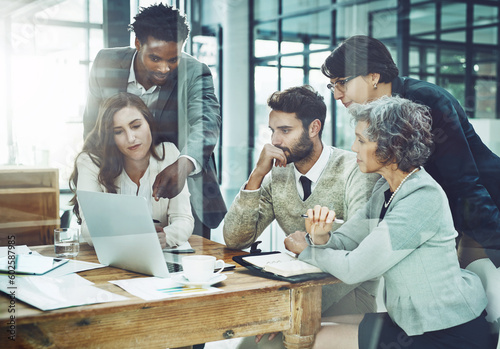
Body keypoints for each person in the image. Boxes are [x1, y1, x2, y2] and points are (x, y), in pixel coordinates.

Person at [285, 96, 492, 349]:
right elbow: (346, 240)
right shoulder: (387, 188)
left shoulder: (422, 198)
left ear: (391, 146)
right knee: (307, 324)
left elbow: (355, 268)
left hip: (447, 332)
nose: (353, 147)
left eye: (361, 140)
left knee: (313, 339)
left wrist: (306, 251)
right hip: (408, 321)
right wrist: (319, 237)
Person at [321, 35, 500, 327]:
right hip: (448, 213)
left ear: (373, 76)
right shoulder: (375, 117)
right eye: (333, 85)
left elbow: (465, 182)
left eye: (342, 81)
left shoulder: (428, 100)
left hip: (484, 207)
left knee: (479, 305)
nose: (337, 93)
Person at [223, 85, 380, 349]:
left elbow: (356, 252)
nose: (275, 141)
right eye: (273, 130)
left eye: (285, 131)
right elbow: (235, 238)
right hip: (296, 287)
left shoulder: (355, 170)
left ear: (314, 128)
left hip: (348, 291)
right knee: (247, 344)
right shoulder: (278, 174)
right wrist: (256, 177)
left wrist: (287, 312)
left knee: (267, 345)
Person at [82, 3, 226, 239]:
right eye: (155, 58)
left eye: (173, 59)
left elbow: (207, 122)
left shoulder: (195, 72)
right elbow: (92, 127)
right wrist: (91, 186)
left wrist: (184, 164)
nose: (164, 68)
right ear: (138, 43)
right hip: (121, 189)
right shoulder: (106, 63)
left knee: (189, 269)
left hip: (182, 193)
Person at [70, 92, 194, 248]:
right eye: (118, 131)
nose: (130, 138)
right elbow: (89, 229)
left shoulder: (169, 153)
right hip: (108, 256)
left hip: (156, 256)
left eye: (136, 126)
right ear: (110, 137)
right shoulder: (91, 162)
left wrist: (165, 237)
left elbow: (184, 219)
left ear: (149, 123)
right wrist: (136, 238)